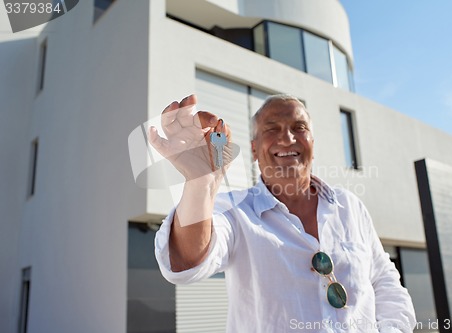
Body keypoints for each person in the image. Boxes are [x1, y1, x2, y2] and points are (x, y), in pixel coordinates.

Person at [149, 94, 416, 333]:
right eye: (272, 128)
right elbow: (187, 262)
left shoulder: (351, 207)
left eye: (299, 128)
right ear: (254, 149)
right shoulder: (235, 211)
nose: (287, 138)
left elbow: (385, 282)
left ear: (312, 141)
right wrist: (201, 182)